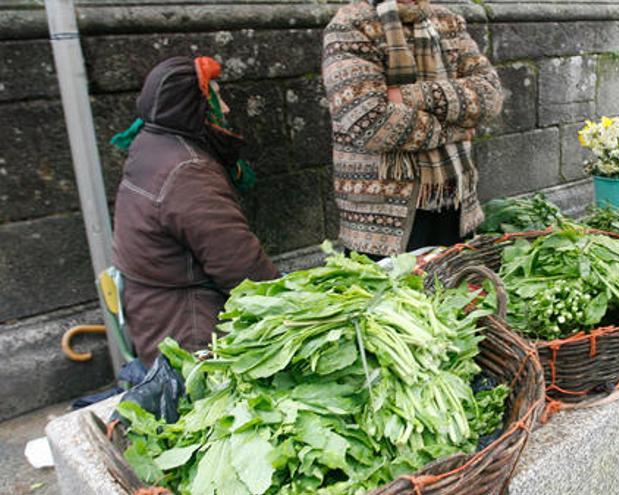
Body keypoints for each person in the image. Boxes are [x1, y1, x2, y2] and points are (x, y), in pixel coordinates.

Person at [110, 56, 279, 366]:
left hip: (153, 318)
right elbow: (241, 267)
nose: (226, 109)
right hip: (191, 332)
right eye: (217, 99)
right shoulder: (188, 171)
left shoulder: (151, 143)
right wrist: (295, 309)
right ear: (192, 109)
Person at [323, 0, 503, 257]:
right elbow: (370, 123)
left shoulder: (448, 21)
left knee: (457, 292)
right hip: (381, 223)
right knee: (392, 295)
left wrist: (407, 97)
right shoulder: (351, 25)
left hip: (453, 203)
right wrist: (455, 131)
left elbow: (490, 95)